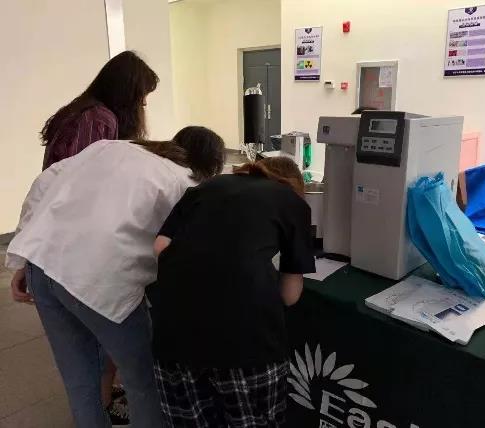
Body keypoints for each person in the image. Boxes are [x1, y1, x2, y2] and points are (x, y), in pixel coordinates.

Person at [7, 127, 226, 428]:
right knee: (144, 382)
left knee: (79, 377)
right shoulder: (186, 184)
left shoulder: (112, 147)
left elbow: (46, 182)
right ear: (212, 165)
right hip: (98, 278)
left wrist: (21, 258)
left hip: (42, 263)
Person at [39, 49, 159, 425]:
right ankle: (109, 401)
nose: (143, 106)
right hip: (76, 253)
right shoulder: (98, 119)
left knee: (79, 372)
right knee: (128, 370)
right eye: (142, 97)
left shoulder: (79, 111)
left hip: (52, 247)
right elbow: (87, 186)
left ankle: (101, 403)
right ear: (126, 92)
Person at [150, 157, 316, 427]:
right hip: (247, 344)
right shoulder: (291, 201)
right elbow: (290, 295)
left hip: (174, 335)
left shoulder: (206, 187)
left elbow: (160, 248)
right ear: (295, 185)